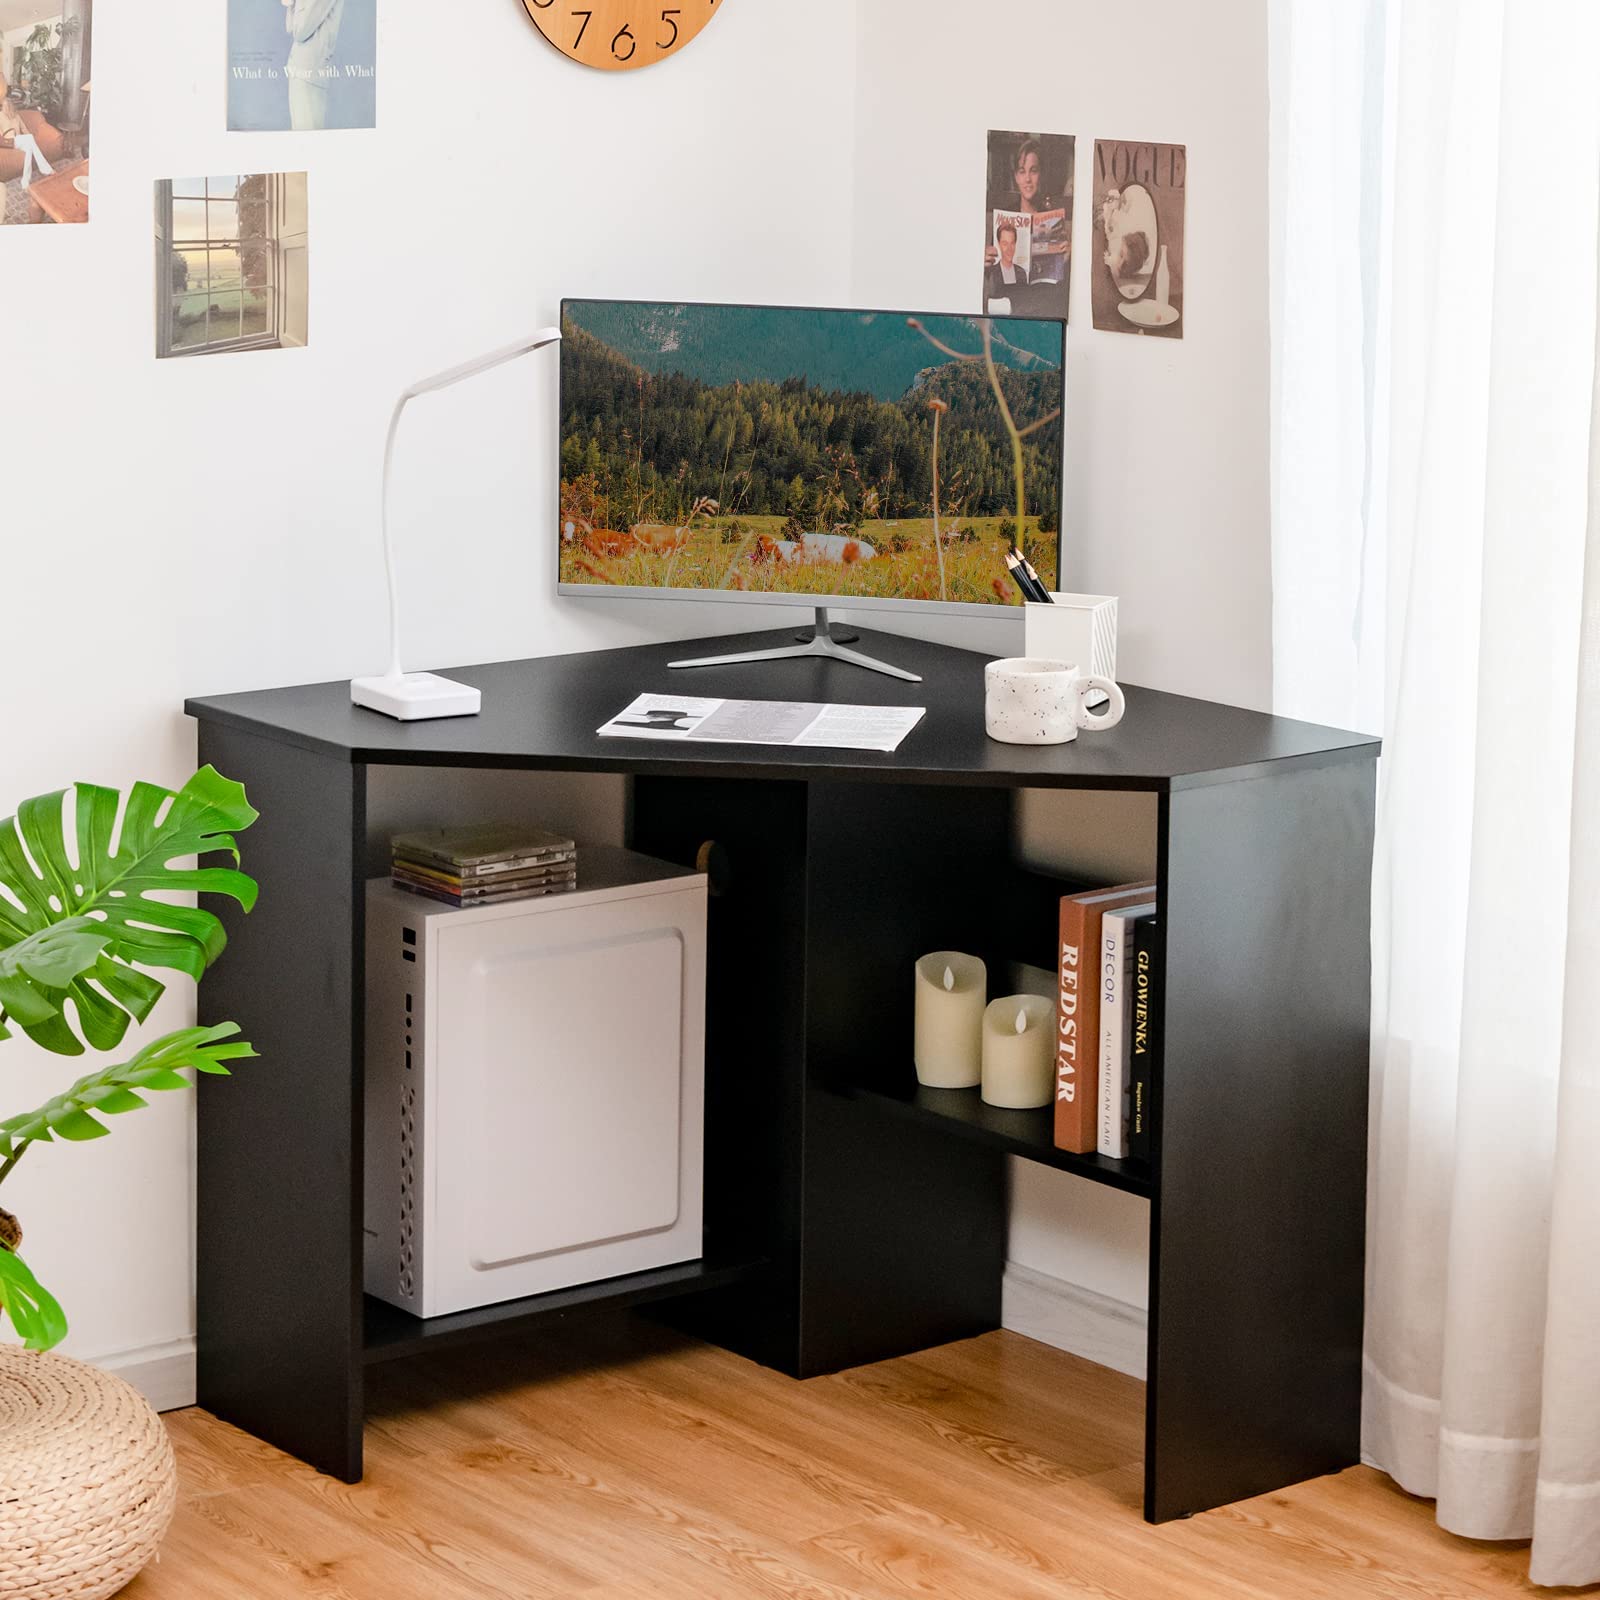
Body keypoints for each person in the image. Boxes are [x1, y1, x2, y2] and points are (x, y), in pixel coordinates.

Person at [283, 0, 347, 130]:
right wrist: (290, 5)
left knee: (308, 135)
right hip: (299, 70)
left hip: (310, 71)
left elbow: (300, 31)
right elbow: (290, 28)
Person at [984, 221, 1029, 303]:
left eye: (1012, 243)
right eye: (1005, 244)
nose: (1009, 249)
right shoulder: (990, 273)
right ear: (999, 244)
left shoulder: (1021, 273)